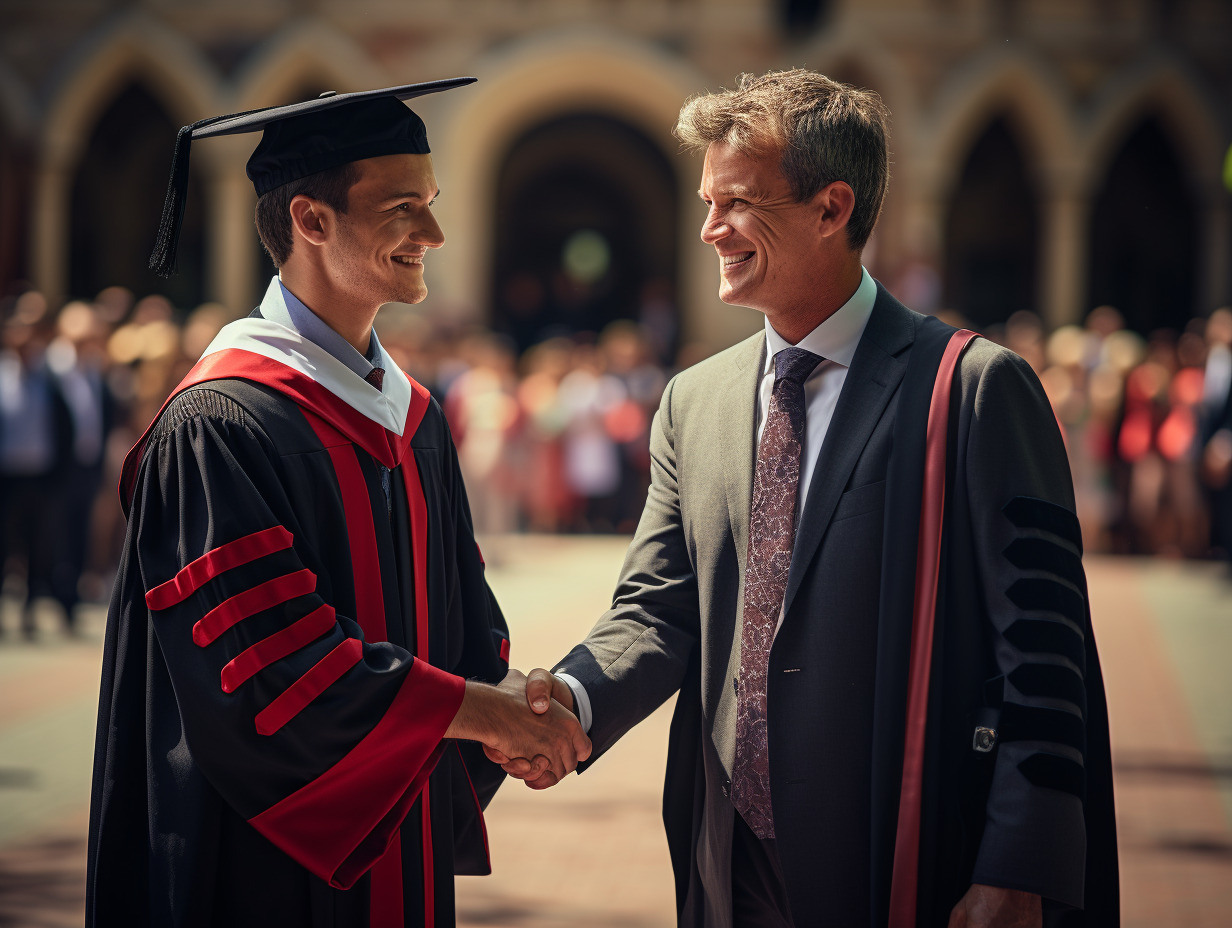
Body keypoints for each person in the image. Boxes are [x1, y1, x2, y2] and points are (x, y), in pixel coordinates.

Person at [499, 70, 1118, 927]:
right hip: (733, 857)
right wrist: (572, 701)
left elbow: (1047, 661)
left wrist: (1019, 867)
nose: (711, 229)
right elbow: (657, 609)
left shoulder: (972, 390)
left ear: (833, 208)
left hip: (907, 849)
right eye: (708, 202)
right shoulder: (696, 401)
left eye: (739, 203)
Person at [86, 80, 589, 928]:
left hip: (400, 835)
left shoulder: (414, 417)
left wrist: (511, 705)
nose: (433, 234)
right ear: (312, 222)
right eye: (403, 208)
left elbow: (461, 625)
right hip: (262, 869)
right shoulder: (219, 423)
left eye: (430, 204)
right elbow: (273, 671)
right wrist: (478, 712)